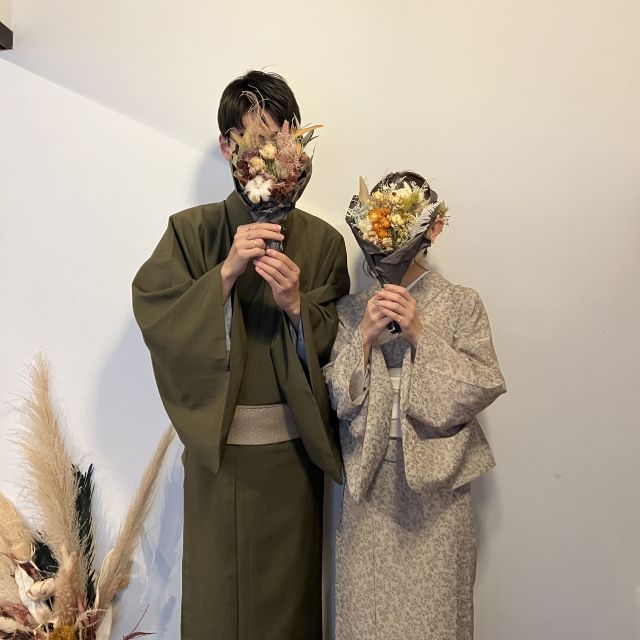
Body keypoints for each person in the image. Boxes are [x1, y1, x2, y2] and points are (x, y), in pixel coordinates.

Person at [132, 70, 350, 640]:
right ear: (228, 146)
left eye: (278, 140)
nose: (267, 155)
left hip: (293, 466)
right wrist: (225, 273)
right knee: (218, 608)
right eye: (254, 141)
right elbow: (159, 315)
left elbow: (343, 350)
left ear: (296, 146)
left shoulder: (324, 243)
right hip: (219, 461)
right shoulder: (192, 231)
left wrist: (296, 306)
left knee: (288, 612)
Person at [323, 171, 506, 640]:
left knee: (437, 620)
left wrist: (420, 333)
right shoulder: (352, 310)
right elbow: (338, 398)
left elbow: (482, 385)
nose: (386, 240)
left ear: (432, 228)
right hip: (371, 490)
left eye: (398, 225)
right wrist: (364, 337)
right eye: (380, 226)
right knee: (367, 617)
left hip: (438, 496)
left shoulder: (461, 304)